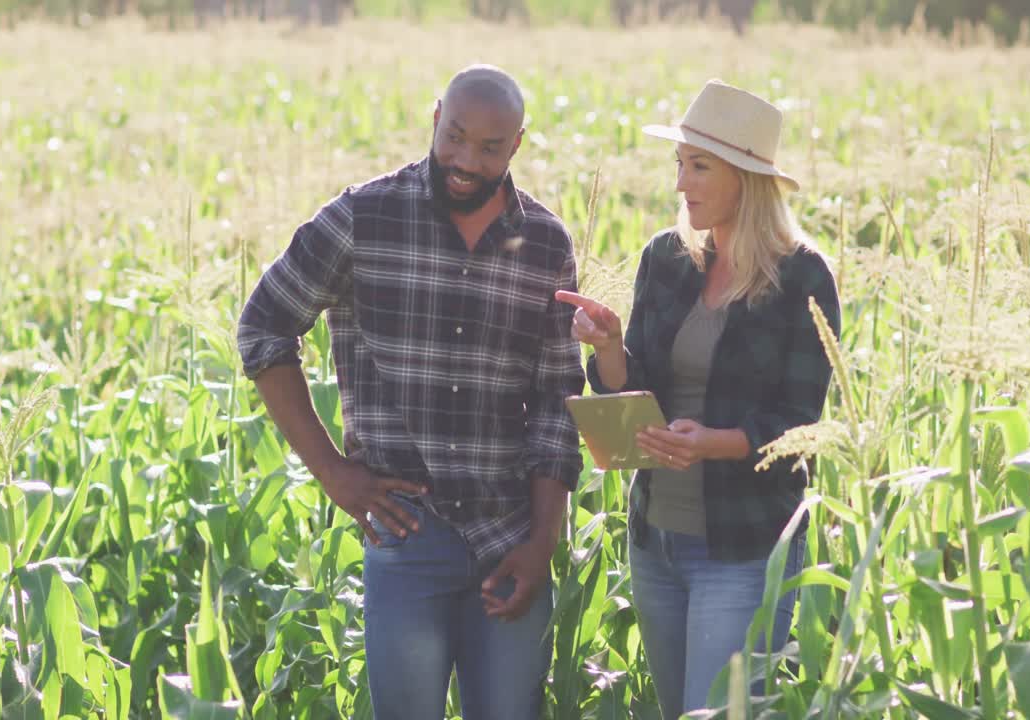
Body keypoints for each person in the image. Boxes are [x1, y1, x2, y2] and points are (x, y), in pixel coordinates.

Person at [236, 64, 584, 720]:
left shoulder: (544, 242)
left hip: (510, 538)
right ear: (435, 119)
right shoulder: (363, 217)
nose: (466, 161)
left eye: (490, 148)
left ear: (517, 145)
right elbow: (263, 328)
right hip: (406, 536)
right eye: (455, 137)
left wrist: (543, 541)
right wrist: (333, 472)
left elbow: (557, 401)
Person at [556, 79, 840, 718]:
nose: (681, 183)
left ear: (747, 177)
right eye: (680, 163)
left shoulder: (803, 277)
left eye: (700, 166)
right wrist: (608, 347)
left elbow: (801, 423)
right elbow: (637, 388)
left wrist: (713, 444)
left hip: (743, 548)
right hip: (655, 539)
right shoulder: (666, 257)